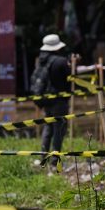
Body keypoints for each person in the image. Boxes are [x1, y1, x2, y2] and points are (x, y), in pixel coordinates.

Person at [36, 34, 71, 166]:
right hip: (59, 100)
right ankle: (55, 160)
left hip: (46, 100)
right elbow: (70, 78)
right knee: (59, 129)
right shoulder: (61, 61)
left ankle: (43, 157)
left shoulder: (42, 60)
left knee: (48, 128)